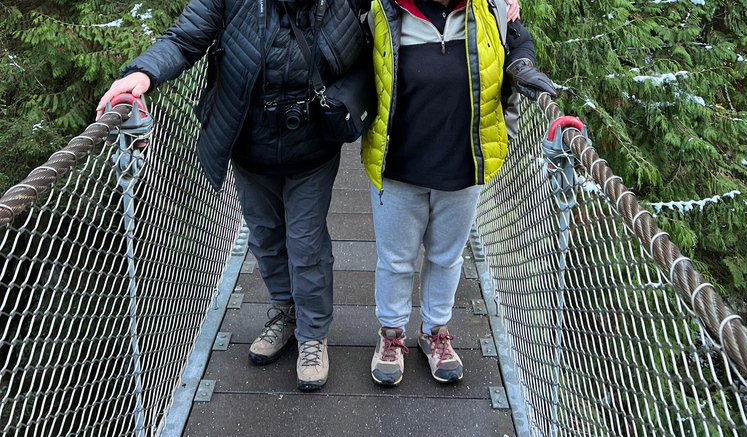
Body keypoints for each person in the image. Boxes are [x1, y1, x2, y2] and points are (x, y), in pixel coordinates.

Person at [97, 0, 371, 390]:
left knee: (306, 241)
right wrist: (142, 73)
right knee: (265, 236)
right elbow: (184, 39)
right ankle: (285, 313)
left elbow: (384, 34)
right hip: (249, 146)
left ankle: (312, 335)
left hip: (312, 148)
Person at [361, 0, 556, 385]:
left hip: (465, 161)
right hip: (398, 161)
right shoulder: (382, 11)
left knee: (447, 256)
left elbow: (518, 42)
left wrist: (521, 67)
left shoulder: (492, 8)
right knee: (396, 259)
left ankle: (435, 332)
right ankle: (392, 334)